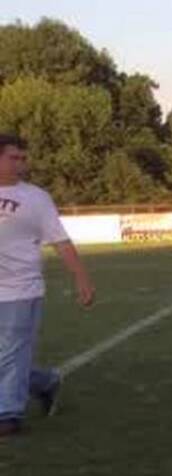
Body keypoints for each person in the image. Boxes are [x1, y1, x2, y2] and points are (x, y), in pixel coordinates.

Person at [0, 134, 95, 437]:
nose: (21, 164)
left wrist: (81, 278)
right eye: (13, 158)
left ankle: (8, 415)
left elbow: (60, 241)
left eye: (23, 158)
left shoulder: (36, 198)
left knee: (11, 351)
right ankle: (46, 382)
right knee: (7, 356)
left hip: (21, 289)